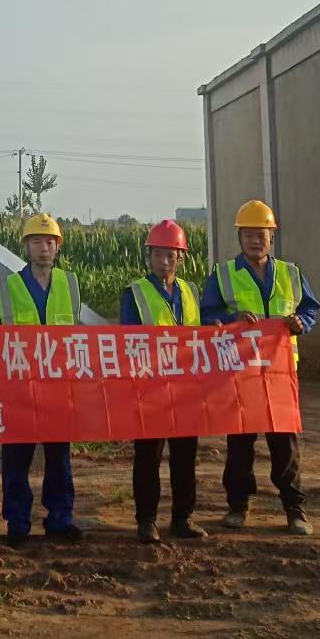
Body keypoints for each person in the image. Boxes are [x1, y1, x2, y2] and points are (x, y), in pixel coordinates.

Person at [198, 199, 319, 537]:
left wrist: (301, 322)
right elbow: (206, 314)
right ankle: (238, 506)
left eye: (261, 234)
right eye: (249, 235)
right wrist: (231, 319)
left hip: (280, 373)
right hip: (241, 372)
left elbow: (310, 308)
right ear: (240, 238)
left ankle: (294, 509)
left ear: (271, 237)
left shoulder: (290, 273)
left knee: (285, 443)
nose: (255, 241)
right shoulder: (224, 274)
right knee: (240, 441)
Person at [0, 213, 83, 546]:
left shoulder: (69, 284)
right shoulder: (7, 287)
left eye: (49, 242)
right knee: (16, 459)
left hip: (59, 388)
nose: (43, 248)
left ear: (58, 247)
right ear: (26, 247)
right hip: (19, 388)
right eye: (36, 242)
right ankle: (18, 523)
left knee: (59, 458)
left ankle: (60, 519)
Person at [119, 220, 207, 542]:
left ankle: (182, 518)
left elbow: (202, 332)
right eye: (158, 254)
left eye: (171, 255)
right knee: (148, 457)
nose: (164, 261)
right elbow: (128, 340)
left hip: (185, 389)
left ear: (181, 257)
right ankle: (146, 520)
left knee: (185, 457)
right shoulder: (135, 293)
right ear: (149, 256)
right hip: (150, 389)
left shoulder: (191, 292)